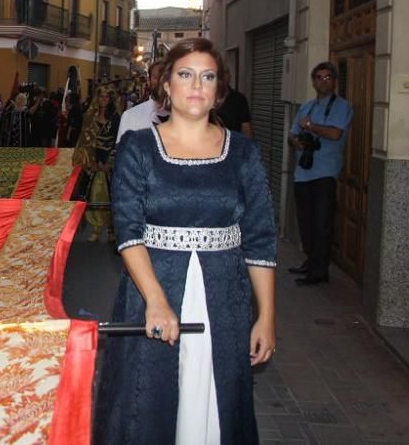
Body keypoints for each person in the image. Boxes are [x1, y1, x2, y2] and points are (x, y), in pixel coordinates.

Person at [97, 38, 276, 444]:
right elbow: (128, 228)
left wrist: (266, 315)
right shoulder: (138, 147)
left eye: (207, 76)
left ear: (218, 90)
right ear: (166, 86)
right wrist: (156, 301)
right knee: (149, 398)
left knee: (217, 397)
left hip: (225, 297)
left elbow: (260, 237)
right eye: (185, 74)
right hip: (153, 290)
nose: (197, 85)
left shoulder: (244, 152)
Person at [287, 61, 353, 285]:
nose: (323, 82)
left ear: (334, 81)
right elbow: (293, 132)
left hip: (325, 172)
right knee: (306, 221)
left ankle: (320, 270)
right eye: (319, 78)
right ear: (313, 81)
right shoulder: (307, 106)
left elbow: (335, 134)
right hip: (303, 172)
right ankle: (311, 260)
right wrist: (297, 141)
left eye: (327, 78)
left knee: (322, 222)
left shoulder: (341, 106)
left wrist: (312, 127)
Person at [71, 85, 120, 242]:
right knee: (94, 195)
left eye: (107, 97)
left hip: (110, 163)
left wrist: (109, 162)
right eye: (101, 96)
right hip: (94, 162)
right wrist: (91, 161)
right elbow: (84, 140)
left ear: (111, 99)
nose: (104, 99)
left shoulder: (116, 117)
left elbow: (119, 141)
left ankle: (111, 229)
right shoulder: (90, 116)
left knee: (112, 196)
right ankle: (96, 228)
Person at [116, 61, 167, 143]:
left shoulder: (186, 118)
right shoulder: (130, 116)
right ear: (148, 81)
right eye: (156, 77)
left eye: (165, 77)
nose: (160, 81)